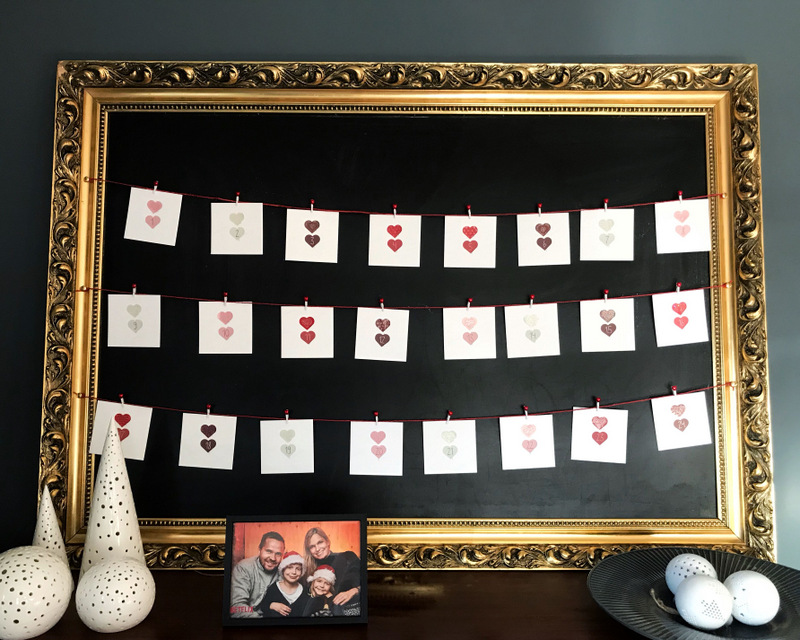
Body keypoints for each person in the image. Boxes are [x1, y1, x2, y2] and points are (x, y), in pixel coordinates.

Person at [303, 527, 361, 615]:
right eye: (312, 546)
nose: (317, 549)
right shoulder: (307, 569)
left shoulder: (346, 558)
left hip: (347, 612)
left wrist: (354, 591)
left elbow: (367, 583)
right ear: (309, 550)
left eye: (320, 542)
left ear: (327, 542)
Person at [229, 531, 285, 618]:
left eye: (278, 554)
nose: (273, 558)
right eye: (269, 551)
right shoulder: (243, 568)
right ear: (259, 549)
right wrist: (262, 622)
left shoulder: (283, 571)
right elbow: (236, 608)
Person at [257, 551, 310, 618]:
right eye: (289, 567)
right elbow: (263, 607)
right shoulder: (273, 589)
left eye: (298, 569)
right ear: (283, 570)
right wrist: (271, 605)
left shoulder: (306, 591)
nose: (294, 572)